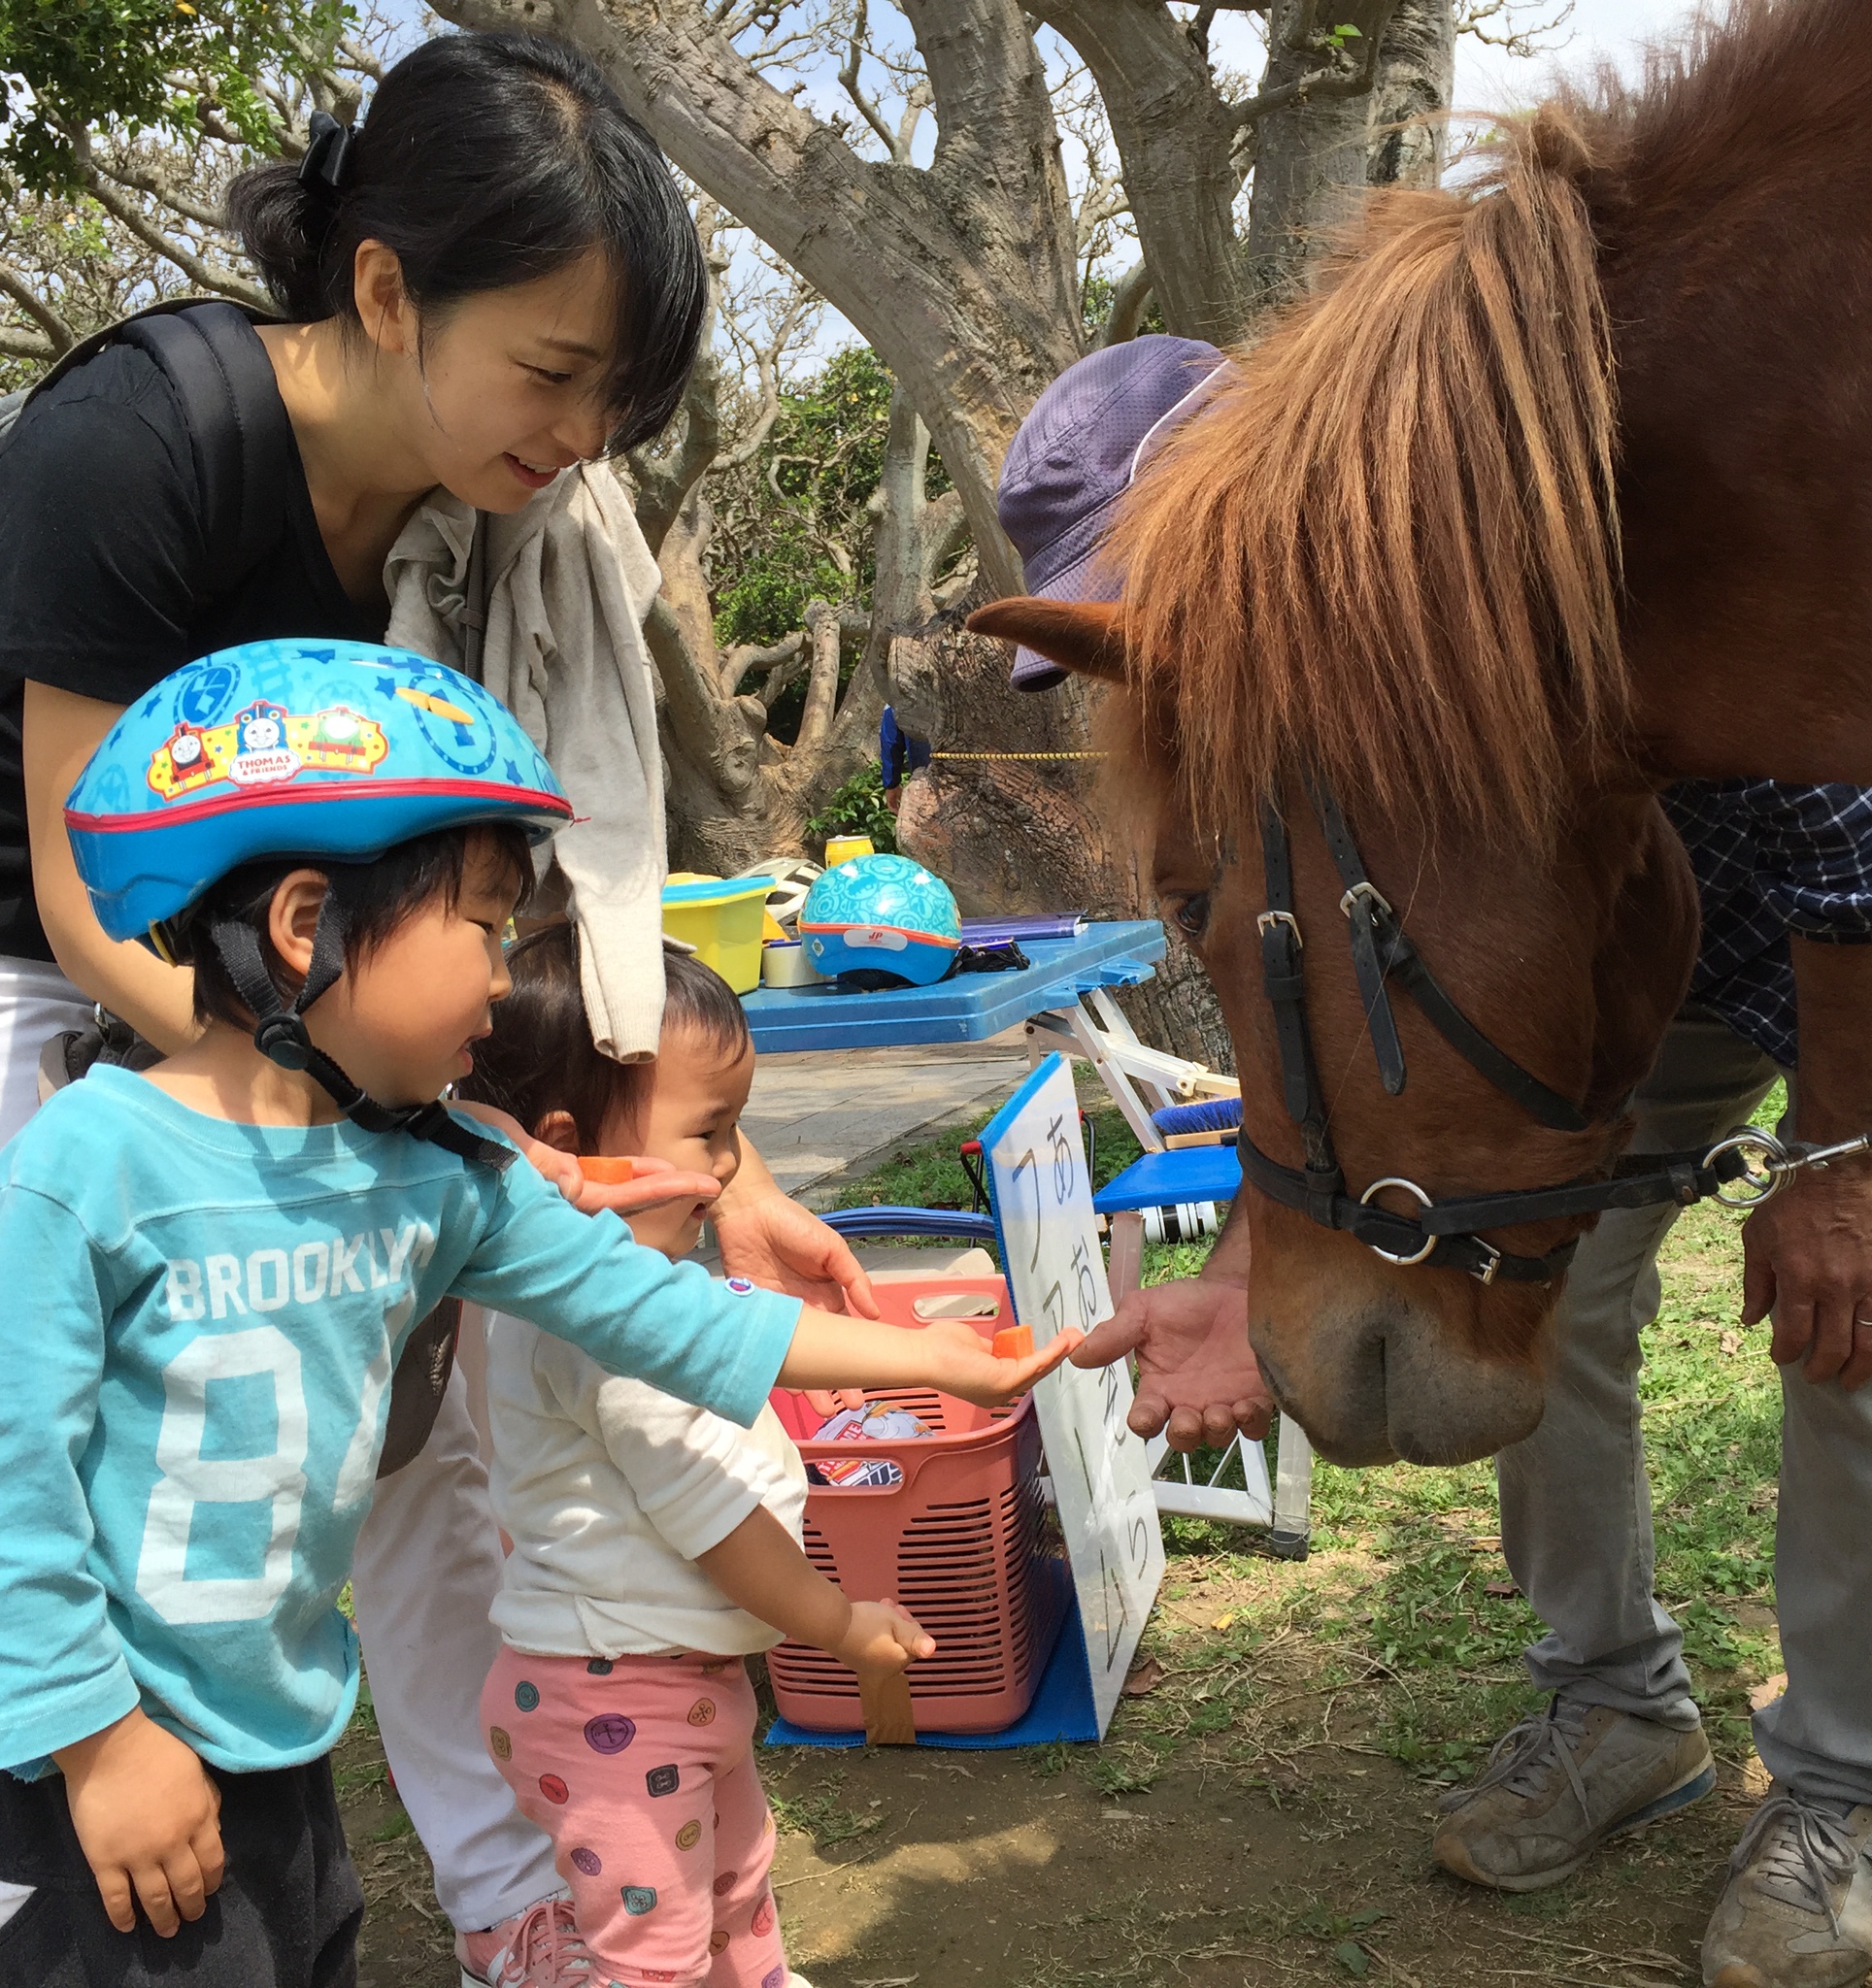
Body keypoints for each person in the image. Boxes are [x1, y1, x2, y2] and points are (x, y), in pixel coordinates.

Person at [0, 33, 888, 1986]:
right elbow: (82, 885)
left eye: (614, 396)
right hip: (87, 1001)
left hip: (334, 1038)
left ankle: (515, 1918)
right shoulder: (134, 443)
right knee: (117, 1457)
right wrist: (342, 1113)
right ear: (386, 288)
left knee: (421, 1462)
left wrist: (676, 1166)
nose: (579, 435)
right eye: (554, 373)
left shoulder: (479, 515)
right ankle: (89, 1801)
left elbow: (528, 934)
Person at [998, 341, 1872, 1988]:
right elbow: (1319, 1019)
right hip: (1616, 957)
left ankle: (1849, 1784)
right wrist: (1251, 1260)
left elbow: (1857, 855)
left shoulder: (1601, 538)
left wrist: (1830, 1164)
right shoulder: (1291, 735)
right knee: (1549, 1297)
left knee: (1857, 1323)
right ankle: (1609, 1701)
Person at [0, 644, 1071, 1988]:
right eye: (483, 926)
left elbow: (673, 1321)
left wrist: (937, 1358)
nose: (504, 980)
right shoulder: (87, 1165)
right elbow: (13, 1482)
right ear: (304, 924)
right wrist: (99, 1744)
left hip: (279, 1732)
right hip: (90, 1746)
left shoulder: (439, 1174)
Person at [462, 931, 931, 1988]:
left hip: (661, 1678)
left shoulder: (637, 1288)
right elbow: (712, 1520)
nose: (727, 1168)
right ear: (569, 1144)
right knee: (654, 1952)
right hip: (611, 1703)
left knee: (734, 1879)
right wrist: (838, 1621)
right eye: (709, 1131)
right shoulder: (601, 1327)